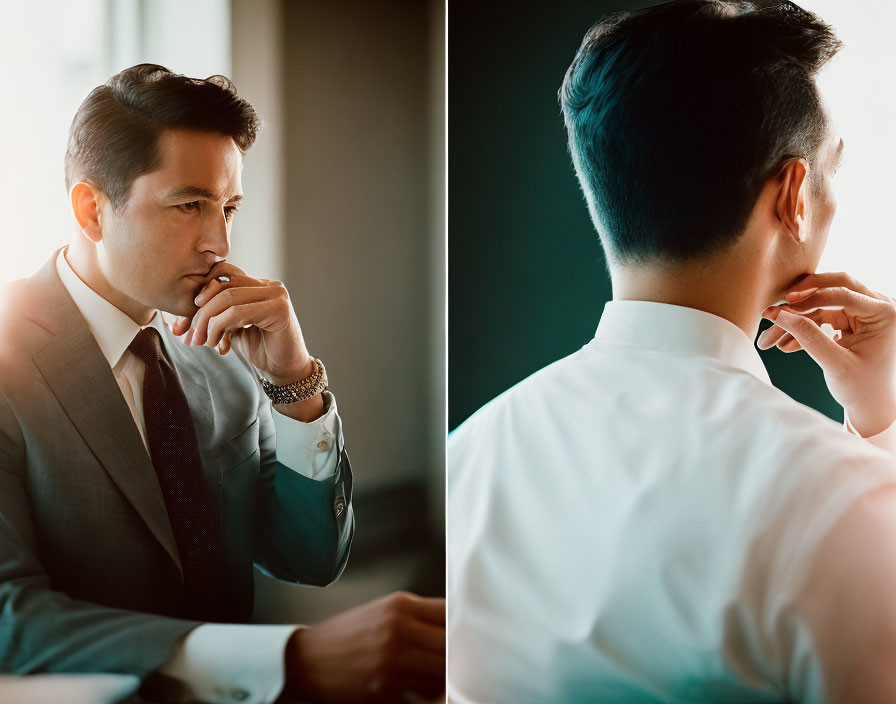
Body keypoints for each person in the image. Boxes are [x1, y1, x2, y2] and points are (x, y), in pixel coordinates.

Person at [448, 2, 896, 702]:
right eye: (830, 168)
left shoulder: (466, 459)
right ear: (795, 196)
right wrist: (884, 433)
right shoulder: (843, 499)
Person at [0, 64, 444, 704]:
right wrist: (287, 659)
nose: (219, 241)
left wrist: (295, 380)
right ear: (91, 208)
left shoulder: (226, 351)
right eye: (189, 205)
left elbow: (311, 559)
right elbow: (9, 618)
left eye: (228, 207)